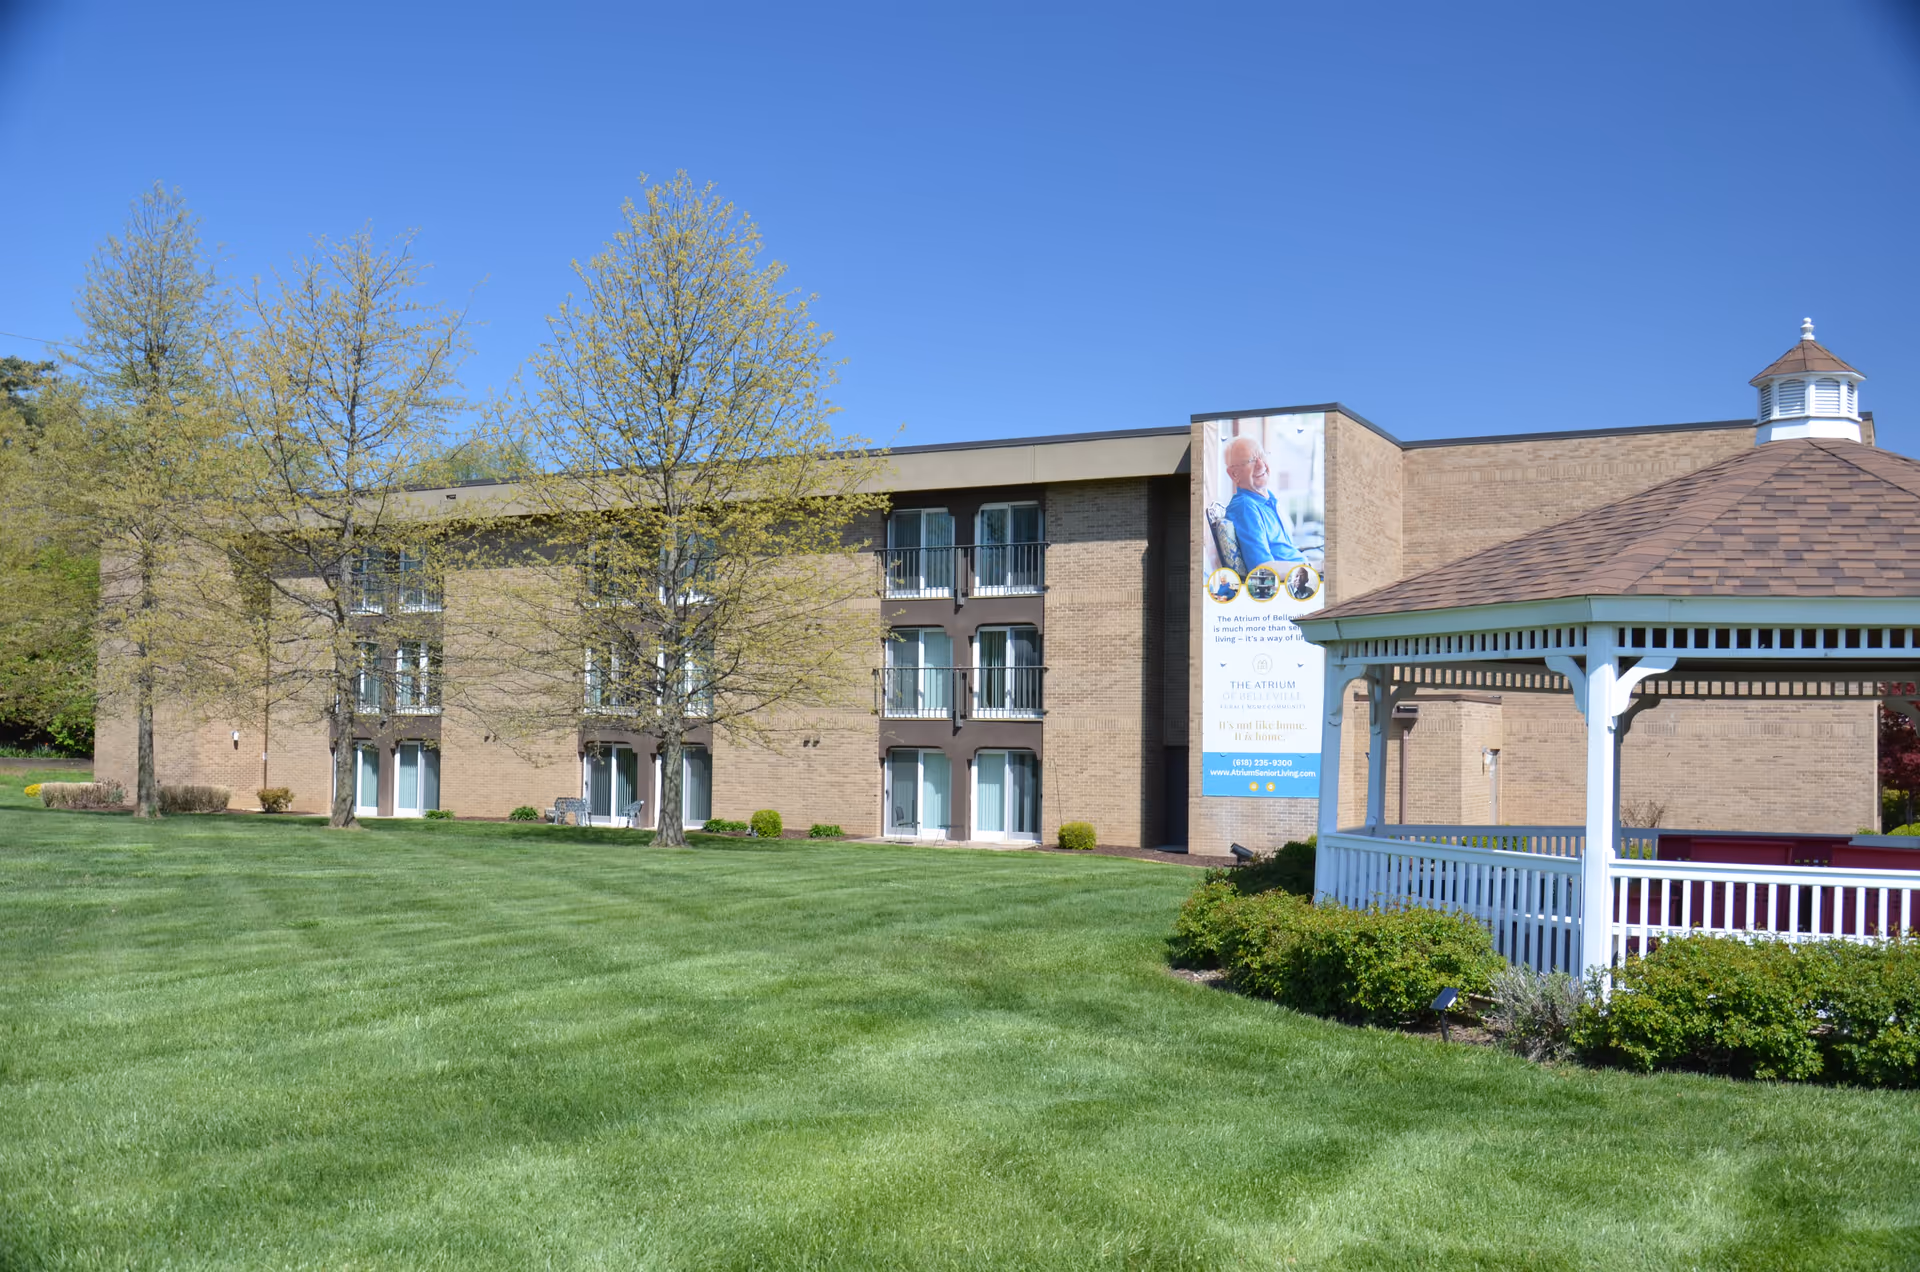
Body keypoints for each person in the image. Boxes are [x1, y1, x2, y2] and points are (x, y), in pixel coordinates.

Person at [1222, 435, 1304, 568]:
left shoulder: (1268, 500)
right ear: (1234, 474)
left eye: (1262, 456)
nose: (1261, 465)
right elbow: (1263, 568)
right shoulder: (1245, 507)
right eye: (1251, 461)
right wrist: (1317, 567)